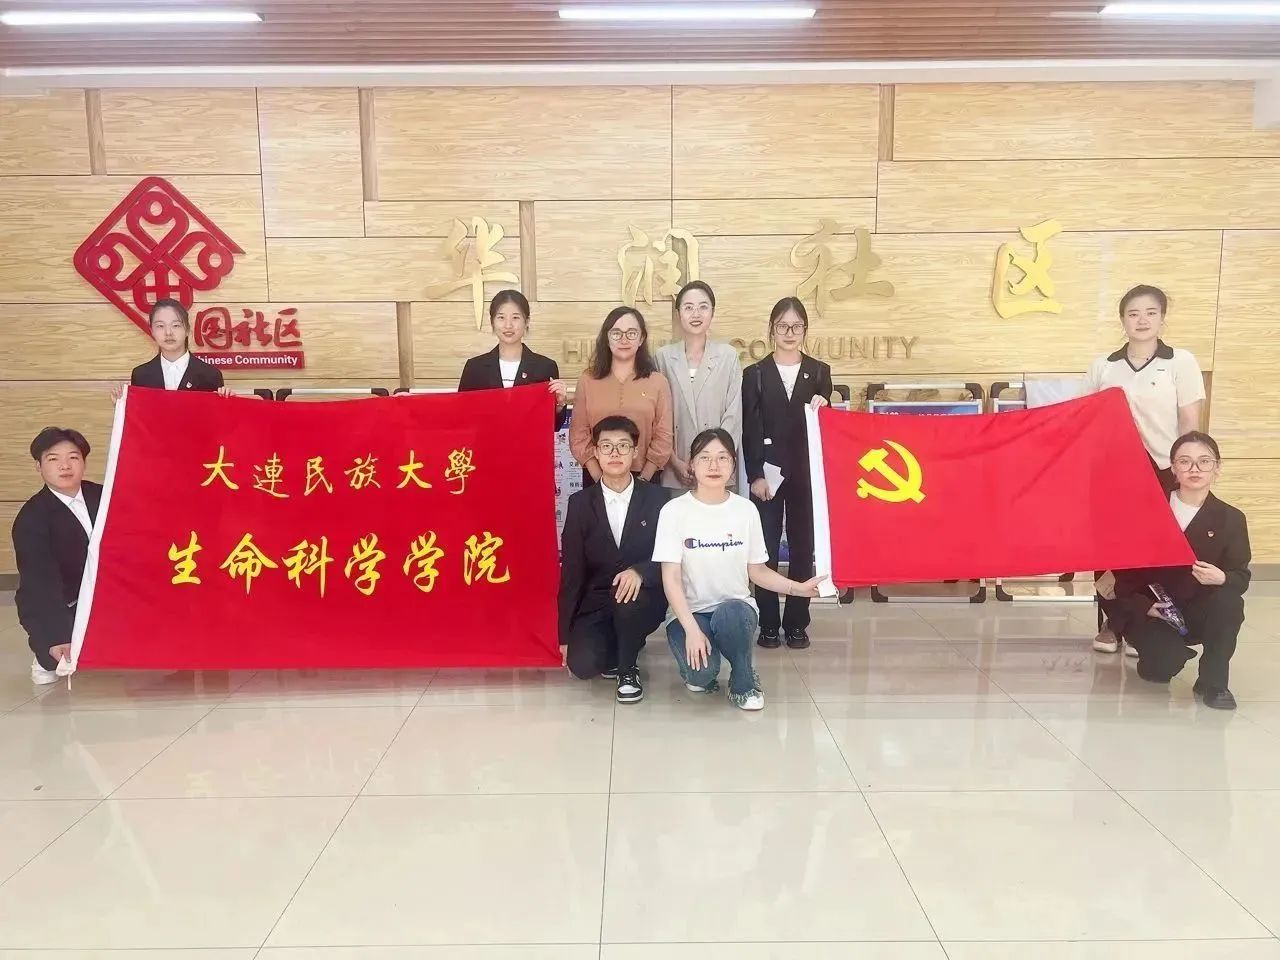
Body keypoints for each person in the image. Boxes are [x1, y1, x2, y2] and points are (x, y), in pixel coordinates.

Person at [653, 429, 822, 711]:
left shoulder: (745, 510)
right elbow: (670, 579)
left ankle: (744, 679)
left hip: (735, 610)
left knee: (731, 613)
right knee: (701, 676)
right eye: (705, 458)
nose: (714, 465)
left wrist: (798, 588)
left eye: (722, 458)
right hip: (690, 613)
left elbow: (758, 572)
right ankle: (704, 662)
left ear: (733, 464)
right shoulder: (673, 511)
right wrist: (691, 630)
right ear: (692, 464)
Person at [1087, 284, 1206, 654]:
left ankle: (1149, 624)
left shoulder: (1180, 362)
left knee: (1154, 550)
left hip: (1164, 469)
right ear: (1122, 320)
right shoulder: (1104, 366)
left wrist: (1188, 469)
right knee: (1110, 550)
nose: (1142, 320)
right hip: (1113, 472)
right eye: (1133, 313)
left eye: (1151, 312)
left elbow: (1190, 422)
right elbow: (1085, 419)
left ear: (1162, 318)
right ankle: (1113, 622)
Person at [1113, 432, 1249, 710]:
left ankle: (1214, 683)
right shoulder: (1146, 510)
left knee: (1229, 600)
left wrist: (1222, 577)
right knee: (1160, 669)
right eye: (1185, 461)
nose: (1194, 469)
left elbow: (1240, 577)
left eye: (1204, 461)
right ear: (1173, 468)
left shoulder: (1232, 519)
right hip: (1154, 611)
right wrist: (1145, 606)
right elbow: (1121, 574)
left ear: (1217, 468)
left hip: (1199, 609)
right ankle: (1159, 655)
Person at [742, 297, 833, 651]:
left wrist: (826, 402)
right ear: (771, 330)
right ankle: (767, 623)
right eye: (783, 326)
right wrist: (754, 474)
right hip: (767, 474)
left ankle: (797, 622)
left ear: (805, 330)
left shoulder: (820, 372)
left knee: (802, 548)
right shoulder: (755, 374)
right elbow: (750, 428)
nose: (790, 333)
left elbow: (828, 420)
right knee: (763, 550)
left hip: (807, 475)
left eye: (797, 326)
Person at [558, 415, 669, 703]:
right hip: (597, 601)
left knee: (629, 598)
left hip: (643, 598)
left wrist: (641, 571)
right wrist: (564, 636)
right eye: (606, 446)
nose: (615, 453)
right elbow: (572, 572)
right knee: (583, 666)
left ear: (635, 451)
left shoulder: (659, 500)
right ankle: (625, 643)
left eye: (623, 445)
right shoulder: (580, 504)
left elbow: (671, 555)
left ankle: (627, 669)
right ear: (596, 452)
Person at [12, 428, 101, 684]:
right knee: (61, 654)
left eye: (73, 457)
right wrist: (55, 636)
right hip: (68, 600)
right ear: (38, 466)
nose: (65, 466)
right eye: (53, 459)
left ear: (84, 462)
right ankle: (46, 653)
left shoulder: (104, 496)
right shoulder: (32, 518)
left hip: (110, 593)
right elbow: (39, 583)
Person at [569, 306, 674, 484]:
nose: (624, 339)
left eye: (631, 333)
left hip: (645, 478)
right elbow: (579, 434)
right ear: (606, 338)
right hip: (596, 478)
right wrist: (600, 481)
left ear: (641, 338)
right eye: (616, 333)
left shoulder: (658, 382)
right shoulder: (587, 380)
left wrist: (643, 480)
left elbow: (663, 436)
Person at [655, 281, 742, 490]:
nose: (696, 314)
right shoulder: (663, 358)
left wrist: (714, 460)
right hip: (676, 470)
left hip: (718, 470)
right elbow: (658, 419)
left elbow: (733, 416)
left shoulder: (728, 356)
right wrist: (674, 461)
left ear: (712, 312)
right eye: (688, 307)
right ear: (678, 314)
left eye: (703, 307)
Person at [458, 289, 568, 427]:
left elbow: (554, 425)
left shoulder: (545, 367)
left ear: (526, 321)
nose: (508, 325)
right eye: (501, 318)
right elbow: (461, 417)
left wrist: (559, 404)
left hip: (528, 441)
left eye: (515, 318)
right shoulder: (475, 368)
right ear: (492, 322)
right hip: (486, 441)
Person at [119, 298, 231, 395]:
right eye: (160, 326)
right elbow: (138, 412)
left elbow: (215, 413)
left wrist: (227, 402)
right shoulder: (141, 375)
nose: (168, 332)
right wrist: (121, 403)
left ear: (187, 329)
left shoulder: (210, 375)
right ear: (152, 331)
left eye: (176, 325)